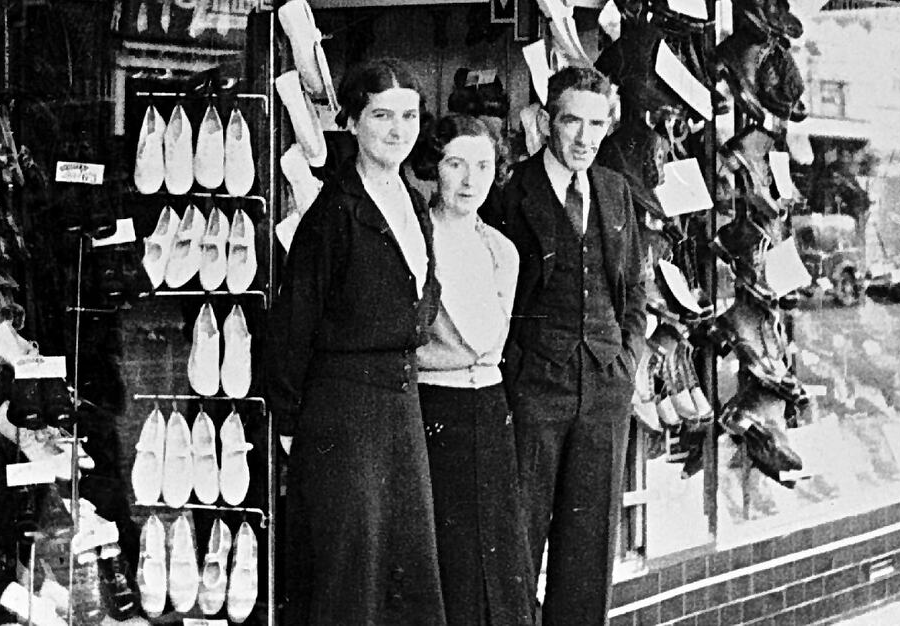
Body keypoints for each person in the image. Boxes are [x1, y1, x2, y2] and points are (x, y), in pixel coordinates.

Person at [266, 59, 447, 626]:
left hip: (400, 406)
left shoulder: (413, 203)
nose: (398, 129)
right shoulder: (333, 211)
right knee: (351, 574)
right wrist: (295, 425)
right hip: (342, 415)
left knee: (404, 566)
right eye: (381, 115)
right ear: (351, 121)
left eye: (409, 116)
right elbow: (292, 326)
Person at [491, 65, 646, 626]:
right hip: (534, 389)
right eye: (571, 121)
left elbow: (633, 287)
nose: (584, 138)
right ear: (545, 121)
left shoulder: (615, 190)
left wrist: (628, 357)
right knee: (518, 542)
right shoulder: (511, 192)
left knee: (590, 550)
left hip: (605, 388)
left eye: (596, 124)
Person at [416, 115, 536, 626]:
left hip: (490, 411)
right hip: (431, 410)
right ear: (434, 168)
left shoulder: (501, 251)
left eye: (483, 166)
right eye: (455, 164)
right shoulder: (415, 240)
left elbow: (495, 340)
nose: (470, 180)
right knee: (449, 556)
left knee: (497, 554)